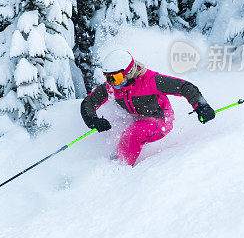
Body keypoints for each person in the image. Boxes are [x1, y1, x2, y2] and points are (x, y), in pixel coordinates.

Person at [80, 49, 215, 166]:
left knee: (134, 133)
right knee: (130, 130)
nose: (111, 83)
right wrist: (93, 120)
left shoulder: (151, 80)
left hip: (161, 120)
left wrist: (202, 106)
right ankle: (118, 157)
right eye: (108, 78)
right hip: (138, 119)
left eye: (116, 78)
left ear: (128, 72)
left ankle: (120, 168)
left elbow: (184, 87)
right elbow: (89, 102)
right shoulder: (112, 86)